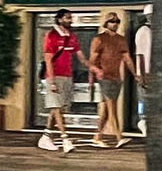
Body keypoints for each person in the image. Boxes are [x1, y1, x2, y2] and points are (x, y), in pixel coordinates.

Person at [88, 12, 136, 148]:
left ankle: (97, 136)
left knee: (107, 110)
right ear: (106, 23)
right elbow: (92, 61)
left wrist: (135, 74)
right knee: (112, 107)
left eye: (116, 21)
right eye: (111, 21)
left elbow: (127, 58)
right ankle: (119, 137)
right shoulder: (99, 39)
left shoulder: (121, 40)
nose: (114, 24)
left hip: (116, 77)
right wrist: (91, 78)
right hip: (104, 77)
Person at [37, 10, 81, 153]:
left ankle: (45, 137)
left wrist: (92, 67)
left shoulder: (71, 36)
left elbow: (80, 55)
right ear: (60, 19)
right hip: (53, 76)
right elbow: (48, 59)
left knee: (58, 108)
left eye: (71, 17)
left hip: (67, 76)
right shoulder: (51, 35)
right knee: (56, 107)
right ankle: (65, 139)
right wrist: (51, 80)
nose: (70, 20)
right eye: (68, 18)